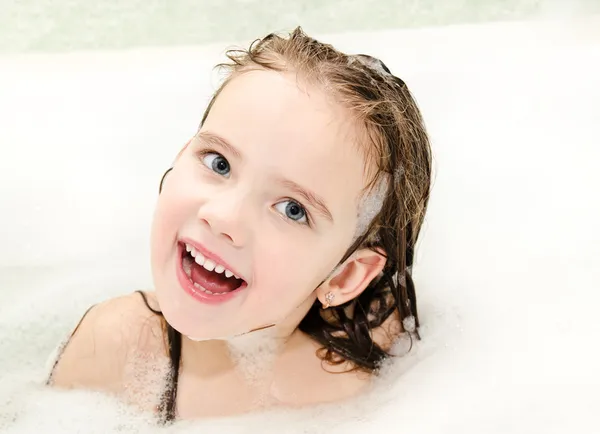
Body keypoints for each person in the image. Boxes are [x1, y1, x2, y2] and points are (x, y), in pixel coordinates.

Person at [47, 27, 433, 424]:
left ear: (346, 275)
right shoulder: (118, 347)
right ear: (182, 156)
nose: (224, 217)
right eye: (219, 163)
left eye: (292, 209)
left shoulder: (378, 379)